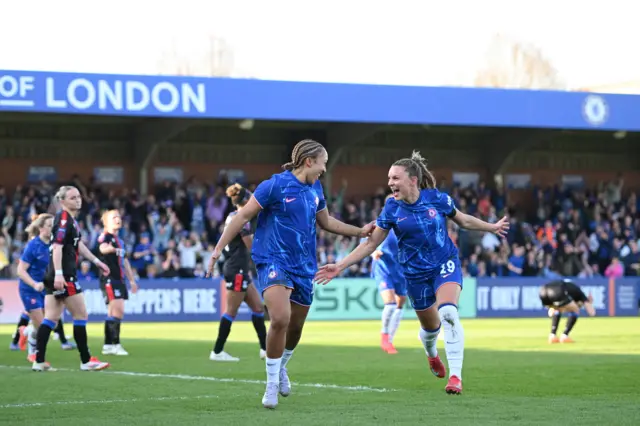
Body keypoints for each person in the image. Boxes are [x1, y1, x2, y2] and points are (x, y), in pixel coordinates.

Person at [315, 151, 509, 395]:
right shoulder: (391, 208)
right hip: (415, 275)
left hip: (444, 263)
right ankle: (431, 353)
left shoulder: (436, 199)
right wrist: (340, 265)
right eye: (389, 178)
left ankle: (456, 376)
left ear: (413, 180)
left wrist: (491, 227)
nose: (390, 183)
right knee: (431, 330)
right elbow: (370, 244)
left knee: (448, 311)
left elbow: (463, 220)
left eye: (395, 178)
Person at [207, 139, 374, 409]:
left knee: (295, 327)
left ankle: (281, 365)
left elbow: (327, 222)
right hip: (273, 259)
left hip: (304, 264)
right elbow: (241, 218)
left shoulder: (315, 188)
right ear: (309, 161)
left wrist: (359, 231)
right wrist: (217, 250)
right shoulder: (273, 185)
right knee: (280, 318)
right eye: (323, 163)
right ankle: (271, 384)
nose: (324, 169)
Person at [33, 185, 111, 372]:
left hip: (55, 274)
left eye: (78, 196)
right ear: (62, 201)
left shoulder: (71, 221)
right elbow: (58, 246)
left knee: (50, 318)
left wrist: (95, 261)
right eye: (72, 197)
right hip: (63, 274)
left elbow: (78, 245)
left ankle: (39, 360)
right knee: (81, 315)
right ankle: (86, 360)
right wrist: (60, 273)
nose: (78, 199)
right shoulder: (63, 219)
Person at [210, 183, 267, 362]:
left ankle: (265, 349)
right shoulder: (242, 219)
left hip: (239, 268)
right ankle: (217, 351)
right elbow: (250, 245)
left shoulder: (232, 216)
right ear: (247, 200)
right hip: (237, 269)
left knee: (258, 307)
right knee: (231, 311)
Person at [367, 196, 407, 354]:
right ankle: (384, 336)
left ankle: (390, 339)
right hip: (383, 268)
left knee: (400, 303)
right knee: (389, 303)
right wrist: (373, 252)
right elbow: (366, 241)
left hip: (400, 269)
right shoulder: (380, 223)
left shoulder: (407, 224)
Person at [98, 210, 139, 356]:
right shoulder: (106, 236)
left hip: (119, 279)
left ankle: (108, 345)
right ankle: (116, 344)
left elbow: (125, 261)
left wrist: (132, 280)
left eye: (119, 217)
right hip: (109, 278)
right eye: (114, 217)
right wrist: (110, 249)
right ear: (107, 222)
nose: (118, 219)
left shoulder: (120, 240)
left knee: (113, 312)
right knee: (118, 311)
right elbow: (102, 248)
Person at [539, 278, 596, 343]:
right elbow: (592, 313)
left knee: (557, 309)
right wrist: (589, 302)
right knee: (575, 310)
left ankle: (552, 335)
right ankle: (564, 336)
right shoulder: (580, 293)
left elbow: (551, 313)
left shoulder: (569, 288)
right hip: (557, 292)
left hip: (543, 291)